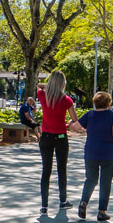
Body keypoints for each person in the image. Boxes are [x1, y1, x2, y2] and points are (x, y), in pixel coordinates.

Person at [72, 91, 113, 221]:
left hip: (91, 152)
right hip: (107, 153)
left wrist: (74, 125)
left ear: (95, 102)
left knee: (91, 179)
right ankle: (101, 211)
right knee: (105, 183)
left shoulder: (90, 115)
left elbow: (76, 127)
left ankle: (83, 203)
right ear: (108, 103)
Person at [37, 70, 79, 215]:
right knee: (62, 170)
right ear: (62, 83)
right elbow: (75, 119)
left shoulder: (42, 95)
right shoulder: (67, 100)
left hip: (46, 138)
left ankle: (44, 205)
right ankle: (62, 201)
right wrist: (68, 123)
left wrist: (49, 86)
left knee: (46, 171)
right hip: (61, 137)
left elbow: (38, 85)